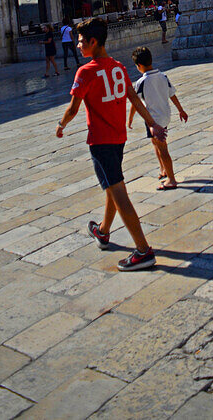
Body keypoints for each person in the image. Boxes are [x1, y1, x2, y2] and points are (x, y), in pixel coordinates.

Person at [55, 18, 166, 271]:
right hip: (118, 139)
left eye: (81, 41)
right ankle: (103, 232)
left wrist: (61, 125)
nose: (78, 45)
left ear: (93, 42)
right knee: (111, 185)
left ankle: (143, 250)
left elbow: (73, 108)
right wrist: (152, 124)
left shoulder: (86, 72)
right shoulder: (118, 67)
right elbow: (135, 100)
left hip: (101, 141)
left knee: (118, 192)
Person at [130, 46, 187, 190]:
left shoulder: (141, 82)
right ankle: (163, 169)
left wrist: (129, 119)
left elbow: (135, 103)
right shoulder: (163, 76)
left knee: (162, 147)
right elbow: (172, 94)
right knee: (155, 143)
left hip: (153, 119)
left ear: (139, 66)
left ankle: (171, 179)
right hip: (164, 115)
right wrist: (180, 110)